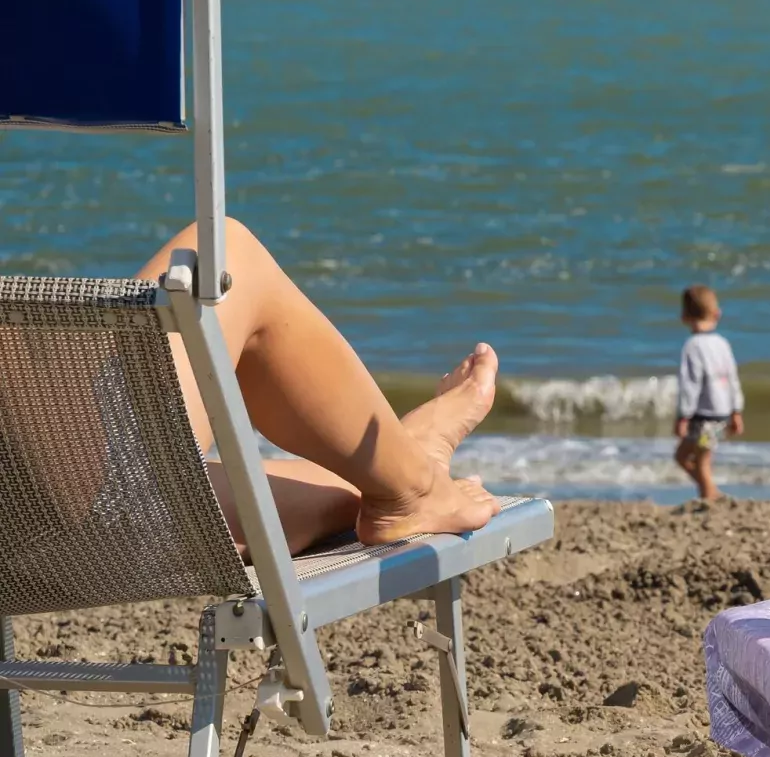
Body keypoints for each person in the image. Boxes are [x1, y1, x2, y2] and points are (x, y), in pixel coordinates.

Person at [139, 218, 502, 558]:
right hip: (125, 496)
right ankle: (416, 486)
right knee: (223, 253)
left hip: (102, 519)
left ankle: (404, 464)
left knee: (351, 492)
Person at [672, 285, 744, 500]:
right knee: (686, 456)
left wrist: (683, 416)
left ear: (684, 317)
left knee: (699, 460)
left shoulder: (692, 346)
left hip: (703, 416)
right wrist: (736, 411)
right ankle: (711, 492)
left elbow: (690, 384)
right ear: (717, 314)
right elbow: (732, 378)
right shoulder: (722, 343)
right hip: (721, 415)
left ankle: (708, 496)